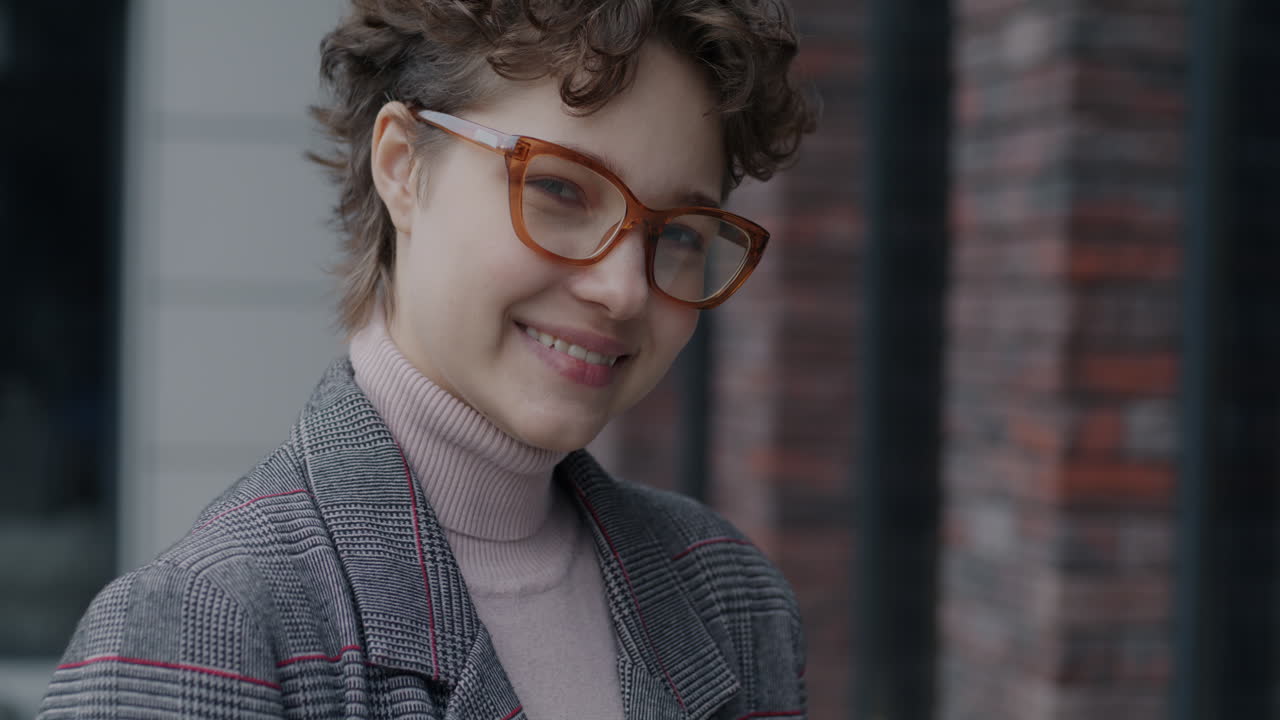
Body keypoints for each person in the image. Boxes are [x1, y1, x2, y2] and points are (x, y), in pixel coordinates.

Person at [40, 0, 814, 717]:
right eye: (560, 189)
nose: (623, 291)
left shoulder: (729, 597)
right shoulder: (208, 627)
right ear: (404, 167)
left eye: (677, 234)